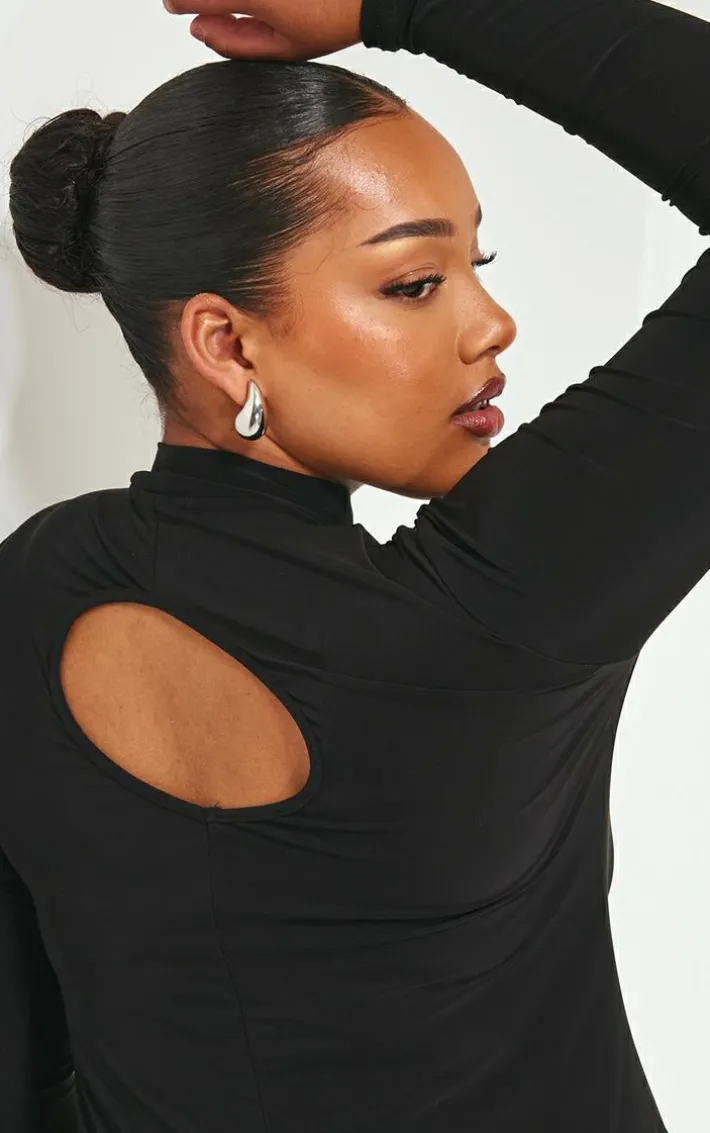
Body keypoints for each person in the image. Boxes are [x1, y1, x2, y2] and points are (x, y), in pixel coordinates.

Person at [2, 0, 708, 1128]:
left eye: (476, 264)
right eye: (414, 282)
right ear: (226, 343)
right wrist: (401, 5)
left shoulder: (32, 586)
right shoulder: (497, 611)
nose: (494, 323)